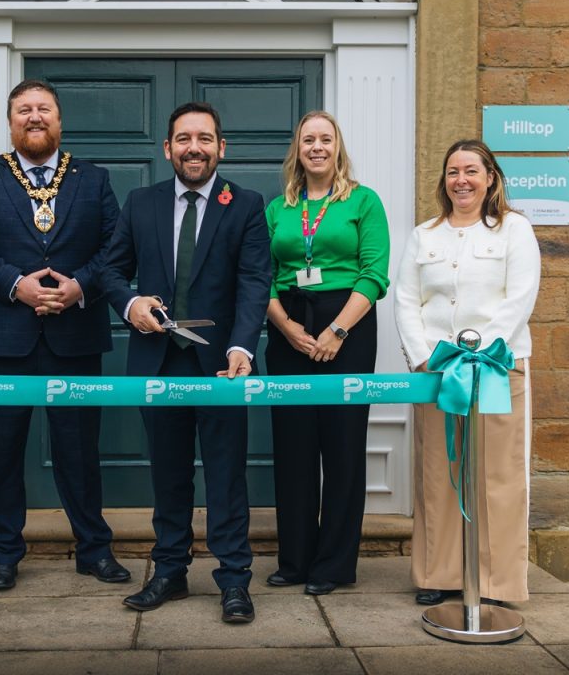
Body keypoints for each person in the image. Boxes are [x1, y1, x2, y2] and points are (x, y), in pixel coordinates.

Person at [0, 79, 128, 592]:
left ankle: (93, 549)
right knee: (0, 453)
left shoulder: (93, 179)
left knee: (80, 454)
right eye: (24, 109)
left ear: (59, 120)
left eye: (43, 109)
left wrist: (79, 287)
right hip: (1, 338)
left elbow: (116, 246)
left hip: (75, 334)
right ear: (10, 122)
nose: (34, 117)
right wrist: (15, 285)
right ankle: (4, 553)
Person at [103, 102, 270, 624]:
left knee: (226, 476)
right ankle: (170, 572)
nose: (193, 147)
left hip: (223, 367)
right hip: (158, 364)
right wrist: (131, 305)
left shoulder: (244, 205)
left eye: (204, 139)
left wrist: (243, 346)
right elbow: (111, 271)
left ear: (222, 148)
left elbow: (253, 282)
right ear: (167, 148)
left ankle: (234, 581)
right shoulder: (141, 202)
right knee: (169, 476)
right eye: (183, 139)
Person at [392, 138, 540, 606]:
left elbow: (519, 296)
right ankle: (439, 575)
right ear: (444, 180)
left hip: (498, 368)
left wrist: (485, 351)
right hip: (438, 372)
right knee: (440, 472)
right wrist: (422, 356)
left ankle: (498, 583)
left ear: (490, 177)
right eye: (453, 171)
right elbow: (406, 300)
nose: (462, 180)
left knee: (498, 475)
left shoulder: (514, 230)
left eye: (472, 171)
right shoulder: (425, 235)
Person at [263, 110, 389, 596]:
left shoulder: (363, 201)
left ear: (338, 147)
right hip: (289, 324)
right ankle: (294, 560)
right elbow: (262, 276)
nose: (317, 147)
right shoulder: (278, 208)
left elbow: (374, 272)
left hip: (349, 323)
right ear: (297, 149)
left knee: (341, 446)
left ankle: (333, 565)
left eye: (326, 139)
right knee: (293, 447)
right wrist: (290, 328)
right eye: (308, 139)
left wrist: (336, 329)